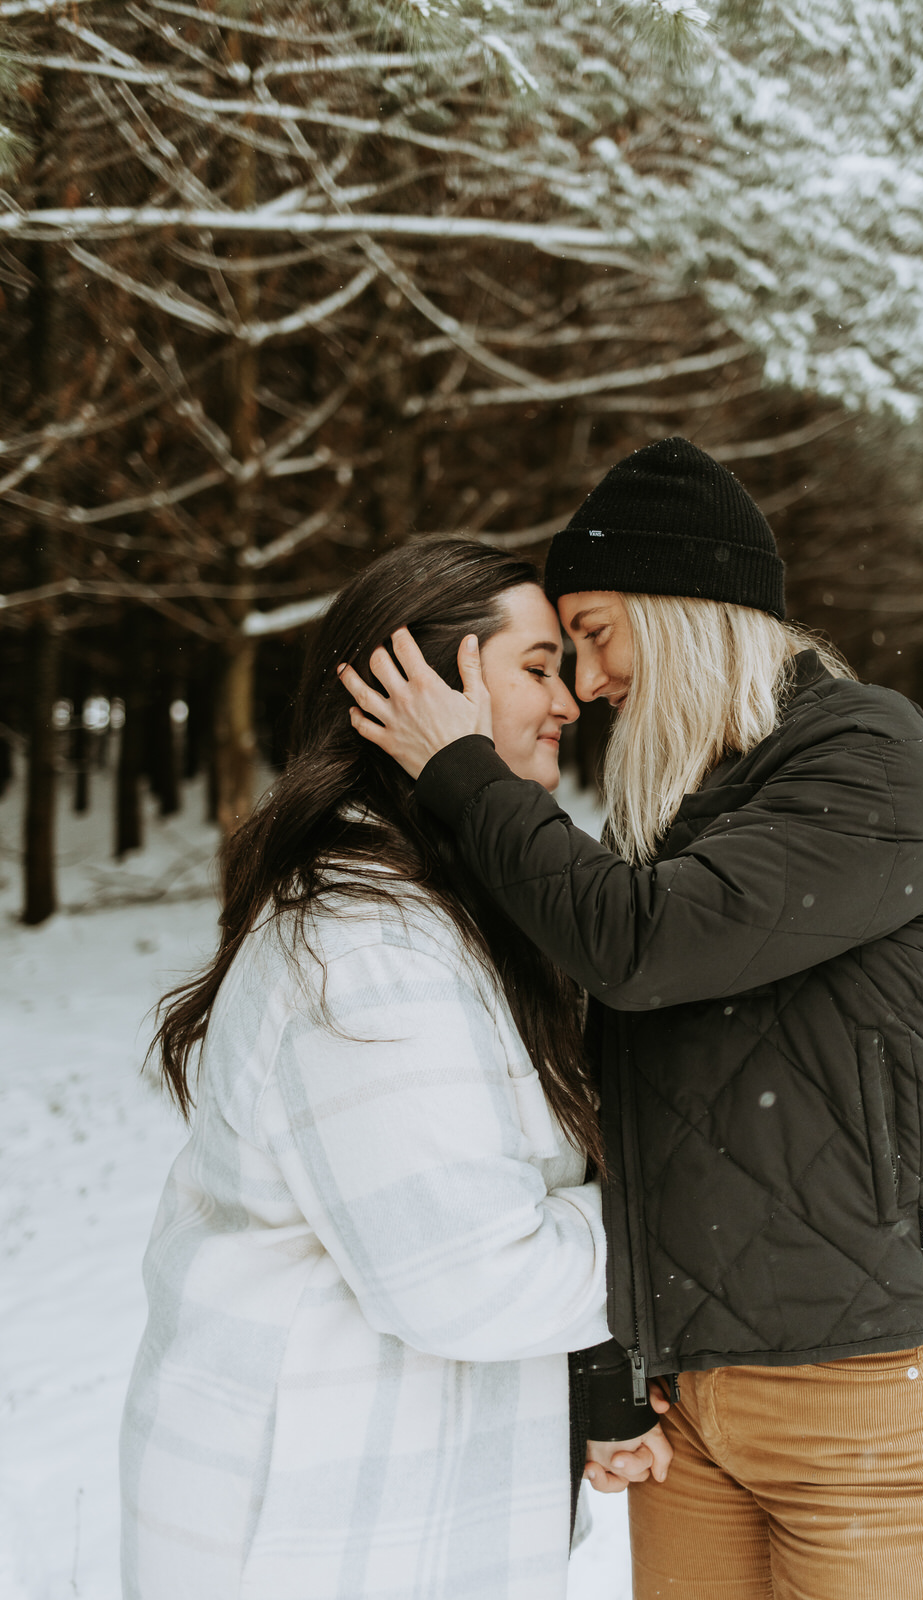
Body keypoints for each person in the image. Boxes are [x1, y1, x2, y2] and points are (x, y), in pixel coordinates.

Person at [339, 438, 923, 1600]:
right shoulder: (686, 813)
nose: (586, 685)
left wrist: (458, 766)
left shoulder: (863, 754)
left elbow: (638, 946)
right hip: (690, 1409)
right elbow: (622, 1122)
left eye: (593, 632)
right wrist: (613, 1361)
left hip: (859, 1398)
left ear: (685, 605)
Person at [119, 539, 669, 1600]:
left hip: (394, 1515)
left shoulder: (446, 910)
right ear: (423, 685)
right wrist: (690, 1222)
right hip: (308, 1533)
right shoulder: (365, 950)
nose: (570, 699)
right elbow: (473, 1279)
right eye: (538, 665)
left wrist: (598, 1384)